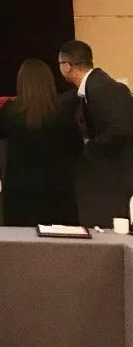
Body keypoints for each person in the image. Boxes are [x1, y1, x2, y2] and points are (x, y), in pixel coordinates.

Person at [0, 58, 80, 226]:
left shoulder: (11, 111)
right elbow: (77, 147)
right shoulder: (63, 111)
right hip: (58, 190)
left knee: (22, 239)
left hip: (20, 191)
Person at [57, 39, 133, 226]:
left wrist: (90, 147)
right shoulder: (92, 87)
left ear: (66, 66)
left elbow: (121, 128)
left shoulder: (105, 88)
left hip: (116, 176)